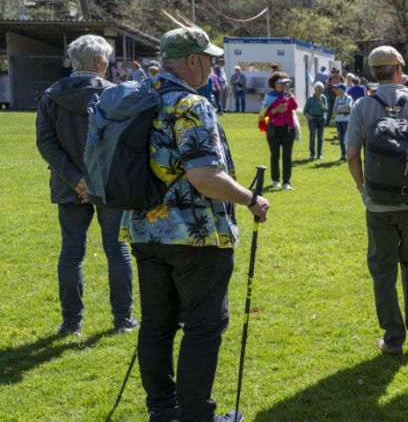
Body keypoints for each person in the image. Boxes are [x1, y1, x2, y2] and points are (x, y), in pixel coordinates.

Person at [121, 26, 269, 422]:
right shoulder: (190, 104)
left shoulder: (140, 96)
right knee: (203, 328)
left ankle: (163, 412)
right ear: (192, 61)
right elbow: (204, 177)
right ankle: (196, 417)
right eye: (208, 58)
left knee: (156, 325)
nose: (212, 65)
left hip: (143, 229)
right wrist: (251, 199)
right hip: (194, 237)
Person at [35, 34, 138, 337]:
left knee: (71, 253)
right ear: (97, 62)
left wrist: (74, 178)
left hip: (69, 187)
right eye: (106, 59)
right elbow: (126, 143)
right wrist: (92, 178)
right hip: (109, 185)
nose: (109, 63)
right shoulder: (116, 95)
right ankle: (123, 319)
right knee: (117, 250)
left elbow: (46, 144)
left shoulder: (51, 96)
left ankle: (71, 322)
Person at [346, 45, 408, 355]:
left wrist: (364, 188)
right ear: (400, 70)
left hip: (377, 203)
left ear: (374, 73)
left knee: (383, 270)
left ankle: (392, 338)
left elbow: (351, 155)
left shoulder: (362, 106)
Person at [260, 72, 298, 190]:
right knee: (275, 155)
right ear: (274, 83)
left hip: (288, 129)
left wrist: (290, 93)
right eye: (280, 83)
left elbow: (295, 106)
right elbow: (263, 114)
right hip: (273, 130)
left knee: (287, 156)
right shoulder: (270, 96)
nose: (282, 85)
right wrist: (276, 110)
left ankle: (286, 182)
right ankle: (275, 180)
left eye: (285, 83)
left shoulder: (288, 95)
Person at [303, 82, 328, 160]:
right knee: (312, 137)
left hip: (321, 119)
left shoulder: (323, 98)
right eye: (318, 89)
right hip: (312, 119)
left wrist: (322, 105)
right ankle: (312, 154)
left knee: (320, 137)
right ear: (315, 89)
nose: (320, 91)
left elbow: (326, 109)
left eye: (321, 90)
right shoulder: (310, 98)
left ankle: (319, 154)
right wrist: (309, 117)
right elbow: (305, 111)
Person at [332, 83, 353, 161]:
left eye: (337, 89)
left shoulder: (348, 98)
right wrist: (341, 109)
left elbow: (347, 109)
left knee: (346, 137)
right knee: (341, 138)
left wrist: (338, 110)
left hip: (346, 120)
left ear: (341, 90)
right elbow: (333, 111)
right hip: (338, 120)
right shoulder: (337, 98)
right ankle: (343, 155)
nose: (335, 90)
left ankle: (348, 155)